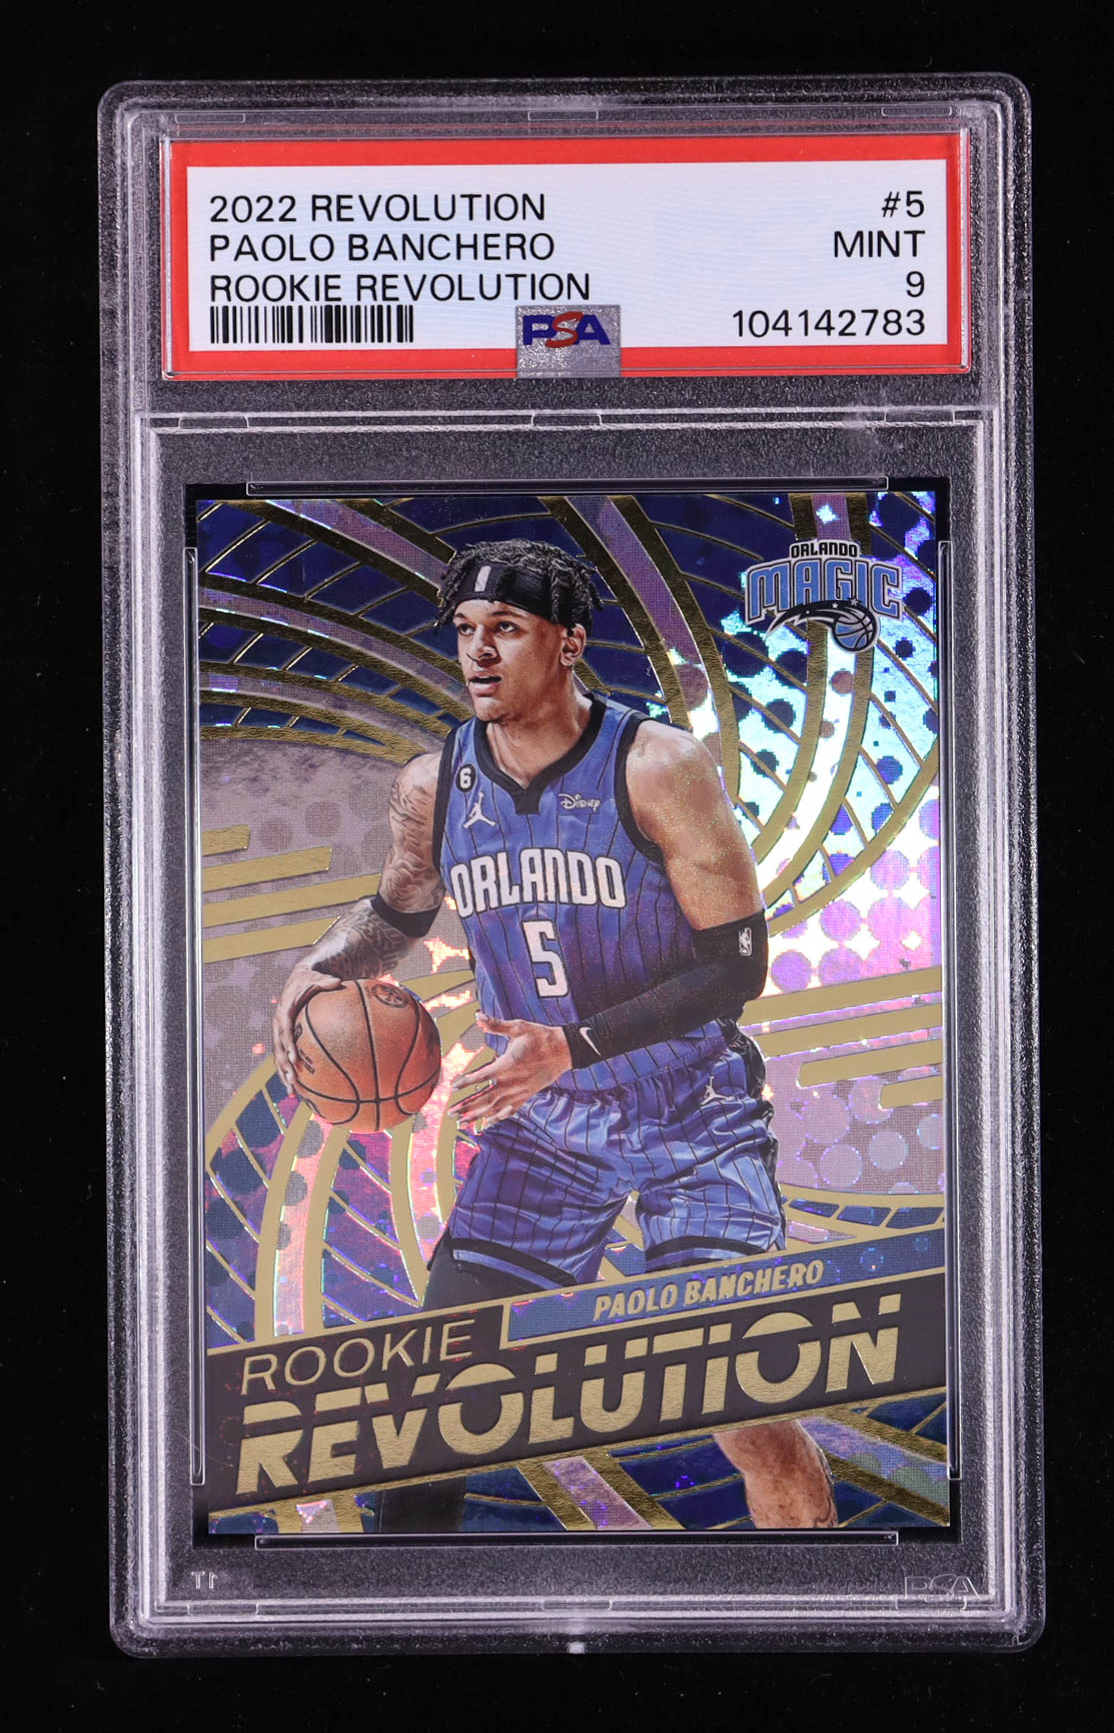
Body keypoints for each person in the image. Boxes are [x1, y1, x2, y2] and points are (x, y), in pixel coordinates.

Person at [273, 539, 837, 1532]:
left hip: (691, 1118)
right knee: (430, 1407)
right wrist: (322, 964)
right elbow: (398, 913)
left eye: (506, 628)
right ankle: (404, 1621)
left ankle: (822, 1597)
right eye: (465, 631)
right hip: (547, 1131)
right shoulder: (434, 785)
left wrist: (569, 1044)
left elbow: (736, 966)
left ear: (569, 643)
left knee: (742, 1403)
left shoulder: (659, 767)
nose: (478, 652)